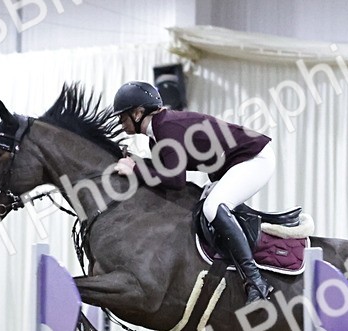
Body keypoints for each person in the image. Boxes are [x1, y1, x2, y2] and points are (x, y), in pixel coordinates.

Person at [110, 80, 275, 304]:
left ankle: (256, 282)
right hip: (232, 164)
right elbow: (163, 172)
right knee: (205, 204)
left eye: (123, 116)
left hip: (255, 159)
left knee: (212, 207)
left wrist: (135, 169)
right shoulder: (156, 136)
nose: (120, 123)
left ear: (138, 113)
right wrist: (136, 164)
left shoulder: (166, 128)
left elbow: (175, 181)